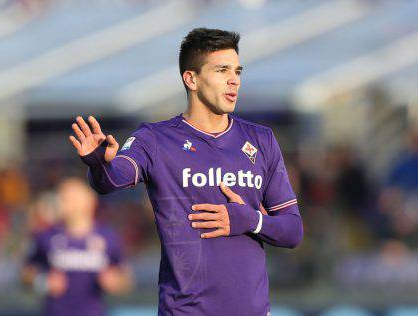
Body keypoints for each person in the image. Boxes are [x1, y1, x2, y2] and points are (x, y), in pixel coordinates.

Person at [70, 28, 303, 315]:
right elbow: (113, 179)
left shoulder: (261, 140)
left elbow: (292, 230)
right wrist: (98, 162)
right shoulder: (155, 139)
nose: (234, 80)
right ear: (191, 79)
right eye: (221, 70)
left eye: (237, 71)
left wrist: (251, 220)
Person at [22, 177, 133, 316]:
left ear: (89, 201)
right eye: (63, 197)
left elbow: (126, 279)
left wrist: (114, 281)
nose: (65, 203)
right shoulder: (45, 236)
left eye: (71, 198)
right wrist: (42, 282)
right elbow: (25, 274)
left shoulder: (108, 237)